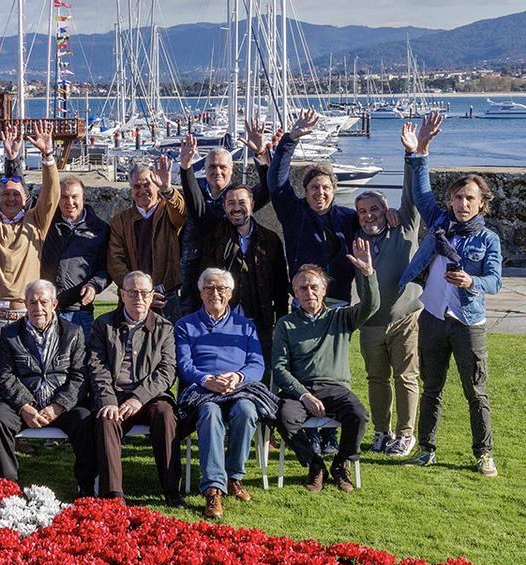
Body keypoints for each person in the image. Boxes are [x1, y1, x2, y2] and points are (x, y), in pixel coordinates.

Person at [398, 112, 503, 477]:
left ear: (481, 203)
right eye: (457, 197)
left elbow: (495, 280)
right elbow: (421, 189)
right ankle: (426, 448)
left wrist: (472, 283)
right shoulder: (440, 222)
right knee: (432, 388)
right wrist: (421, 149)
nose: (462, 204)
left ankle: (483, 453)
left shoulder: (488, 239)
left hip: (467, 322)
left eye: (469, 198)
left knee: (475, 392)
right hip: (432, 316)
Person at [272, 241, 379, 493]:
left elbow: (371, 306)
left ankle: (341, 464)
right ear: (295, 292)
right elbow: (279, 368)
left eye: (314, 287)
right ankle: (315, 464)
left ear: (324, 289)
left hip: (335, 388)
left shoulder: (340, 317)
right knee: (284, 418)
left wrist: (368, 274)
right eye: (302, 288)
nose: (309, 292)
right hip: (300, 391)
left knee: (358, 415)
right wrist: (304, 395)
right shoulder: (286, 325)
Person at [175, 269, 271, 519]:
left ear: (230, 293)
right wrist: (207, 380)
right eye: (208, 288)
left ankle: (233, 477)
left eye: (221, 289)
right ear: (200, 292)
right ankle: (213, 488)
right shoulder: (185, 325)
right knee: (209, 412)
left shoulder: (246, 326)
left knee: (246, 411)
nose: (214, 293)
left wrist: (236, 377)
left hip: (237, 387)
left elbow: (257, 365)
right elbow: (184, 366)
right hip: (202, 390)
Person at [355, 125, 424, 458]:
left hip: (405, 318)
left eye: (375, 209)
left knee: (406, 377)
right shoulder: (355, 239)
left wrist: (411, 154)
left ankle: (405, 433)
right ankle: (382, 431)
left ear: (386, 211)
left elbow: (411, 193)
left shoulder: (405, 226)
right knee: (376, 378)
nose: (369, 216)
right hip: (370, 322)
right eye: (363, 212)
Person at [87, 271, 180, 504]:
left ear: (151, 297)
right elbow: (97, 368)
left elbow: (167, 371)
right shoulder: (103, 325)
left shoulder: (164, 328)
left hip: (150, 396)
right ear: (122, 295)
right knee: (107, 420)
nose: (138, 297)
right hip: (115, 394)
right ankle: (113, 495)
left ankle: (171, 491)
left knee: (165, 414)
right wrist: (108, 401)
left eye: (144, 293)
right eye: (132, 292)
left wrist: (139, 397)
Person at [0, 120, 60, 360]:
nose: (11, 199)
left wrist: (47, 156)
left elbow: (52, 195)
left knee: (25, 376)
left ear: (26, 198)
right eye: (6, 194)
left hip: (24, 315)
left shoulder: (36, 221)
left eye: (16, 194)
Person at [0, 280, 92, 487]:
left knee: (86, 419)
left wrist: (58, 406)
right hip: (24, 406)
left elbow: (79, 377)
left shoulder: (73, 333)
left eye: (44, 302)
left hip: (61, 406)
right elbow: (5, 376)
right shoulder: (10, 334)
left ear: (54, 304)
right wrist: (25, 406)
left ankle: (86, 485)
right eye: (33, 303)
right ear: (25, 305)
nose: (38, 309)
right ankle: (7, 484)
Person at [189, 182, 289, 375]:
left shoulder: (270, 239)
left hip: (261, 320)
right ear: (224, 207)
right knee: (224, 375)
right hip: (223, 321)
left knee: (262, 376)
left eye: (242, 202)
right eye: (231, 203)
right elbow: (204, 282)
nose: (236, 208)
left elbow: (280, 285)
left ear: (252, 204)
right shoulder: (214, 238)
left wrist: (281, 321)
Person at [177, 122, 273, 315]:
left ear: (231, 170)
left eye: (222, 167)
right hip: (194, 270)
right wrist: (186, 168)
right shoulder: (196, 192)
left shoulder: (238, 198)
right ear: (204, 169)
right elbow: (197, 207)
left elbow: (267, 190)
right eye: (212, 166)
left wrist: (261, 153)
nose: (217, 171)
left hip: (229, 273)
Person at [268, 109, 359, 304]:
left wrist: (389, 214)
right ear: (305, 191)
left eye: (326, 187)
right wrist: (290, 139)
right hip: (303, 296)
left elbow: (373, 224)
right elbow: (276, 182)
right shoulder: (294, 213)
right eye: (314, 187)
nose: (320, 192)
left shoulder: (349, 217)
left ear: (333, 190)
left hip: (339, 297)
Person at [107, 157, 187, 322]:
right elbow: (115, 262)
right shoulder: (119, 221)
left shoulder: (168, 212)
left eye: (146, 185)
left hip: (168, 296)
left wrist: (168, 189)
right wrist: (138, 292)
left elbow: (181, 213)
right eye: (137, 186)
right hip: (134, 299)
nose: (142, 191)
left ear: (156, 185)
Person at [41, 175, 110, 338]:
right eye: (64, 197)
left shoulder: (100, 229)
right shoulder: (46, 224)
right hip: (46, 309)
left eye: (74, 197)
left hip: (79, 311)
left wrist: (94, 285)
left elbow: (107, 268)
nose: (69, 202)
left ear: (83, 198)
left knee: (79, 361)